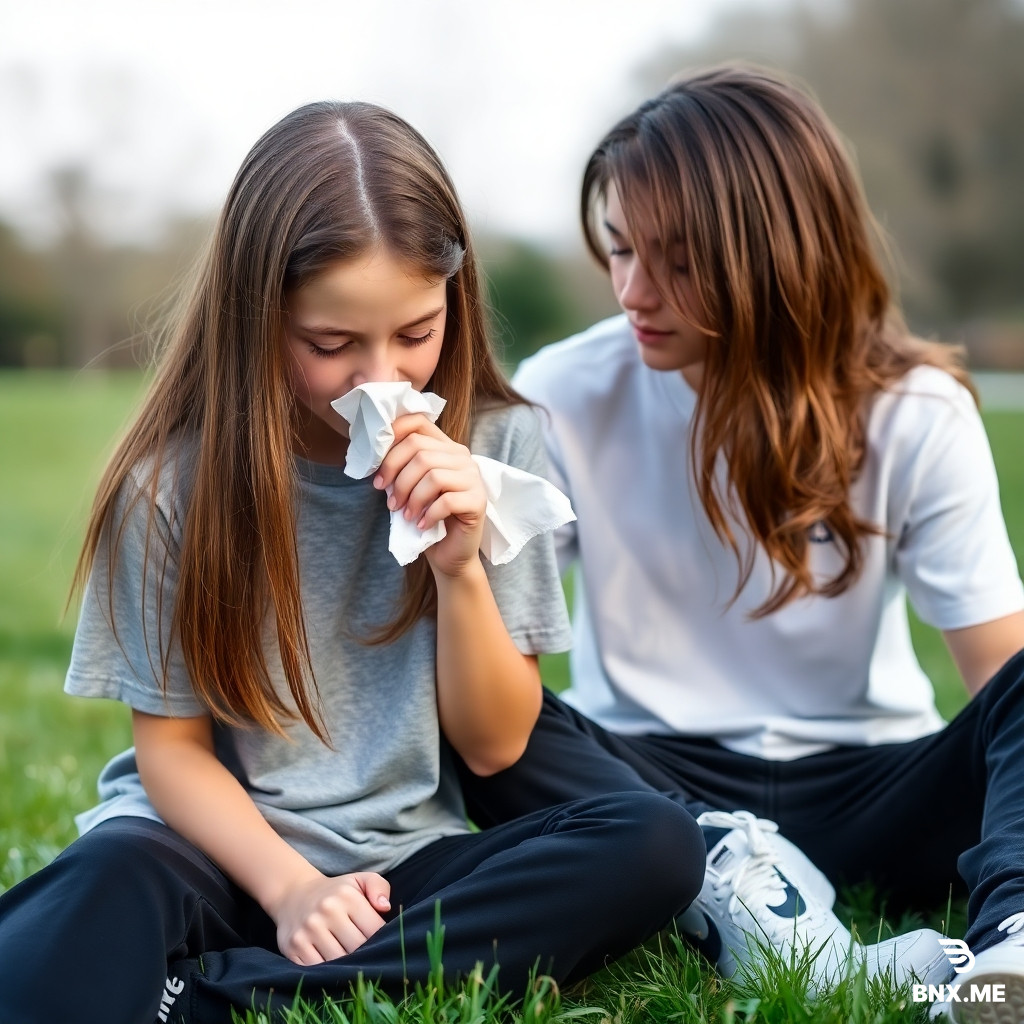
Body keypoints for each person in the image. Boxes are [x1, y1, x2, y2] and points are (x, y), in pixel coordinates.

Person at [0, 101, 705, 1024]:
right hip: (211, 852)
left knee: (652, 841)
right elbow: (170, 754)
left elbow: (496, 743)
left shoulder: (499, 443)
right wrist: (291, 890)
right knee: (98, 885)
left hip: (403, 866)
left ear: (455, 294)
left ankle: (211, 999)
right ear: (259, 320)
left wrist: (459, 568)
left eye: (417, 332)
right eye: (332, 345)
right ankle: (250, 969)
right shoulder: (171, 486)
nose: (384, 378)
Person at [457, 65, 1024, 1020]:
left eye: (676, 259)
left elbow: (1001, 676)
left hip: (868, 785)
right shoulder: (560, 393)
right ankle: (733, 878)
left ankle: (1008, 954)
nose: (634, 290)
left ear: (778, 250)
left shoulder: (917, 414)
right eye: (620, 250)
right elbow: (495, 698)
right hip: (651, 787)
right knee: (475, 699)